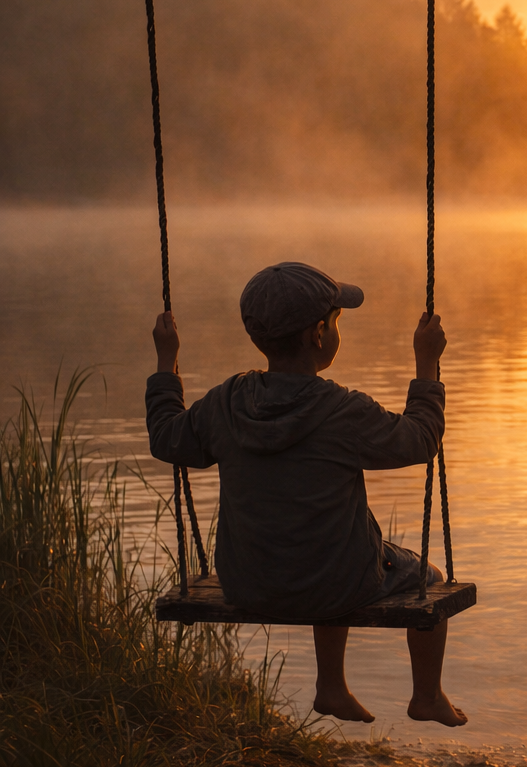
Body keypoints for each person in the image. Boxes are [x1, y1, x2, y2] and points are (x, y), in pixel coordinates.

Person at [147, 261, 467, 727]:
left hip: (248, 581)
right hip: (337, 582)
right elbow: (421, 439)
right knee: (428, 577)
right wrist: (426, 363)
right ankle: (427, 696)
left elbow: (166, 437)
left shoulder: (225, 403)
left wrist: (165, 360)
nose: (338, 329)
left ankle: (331, 689)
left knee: (331, 547)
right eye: (337, 320)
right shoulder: (342, 410)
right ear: (318, 334)